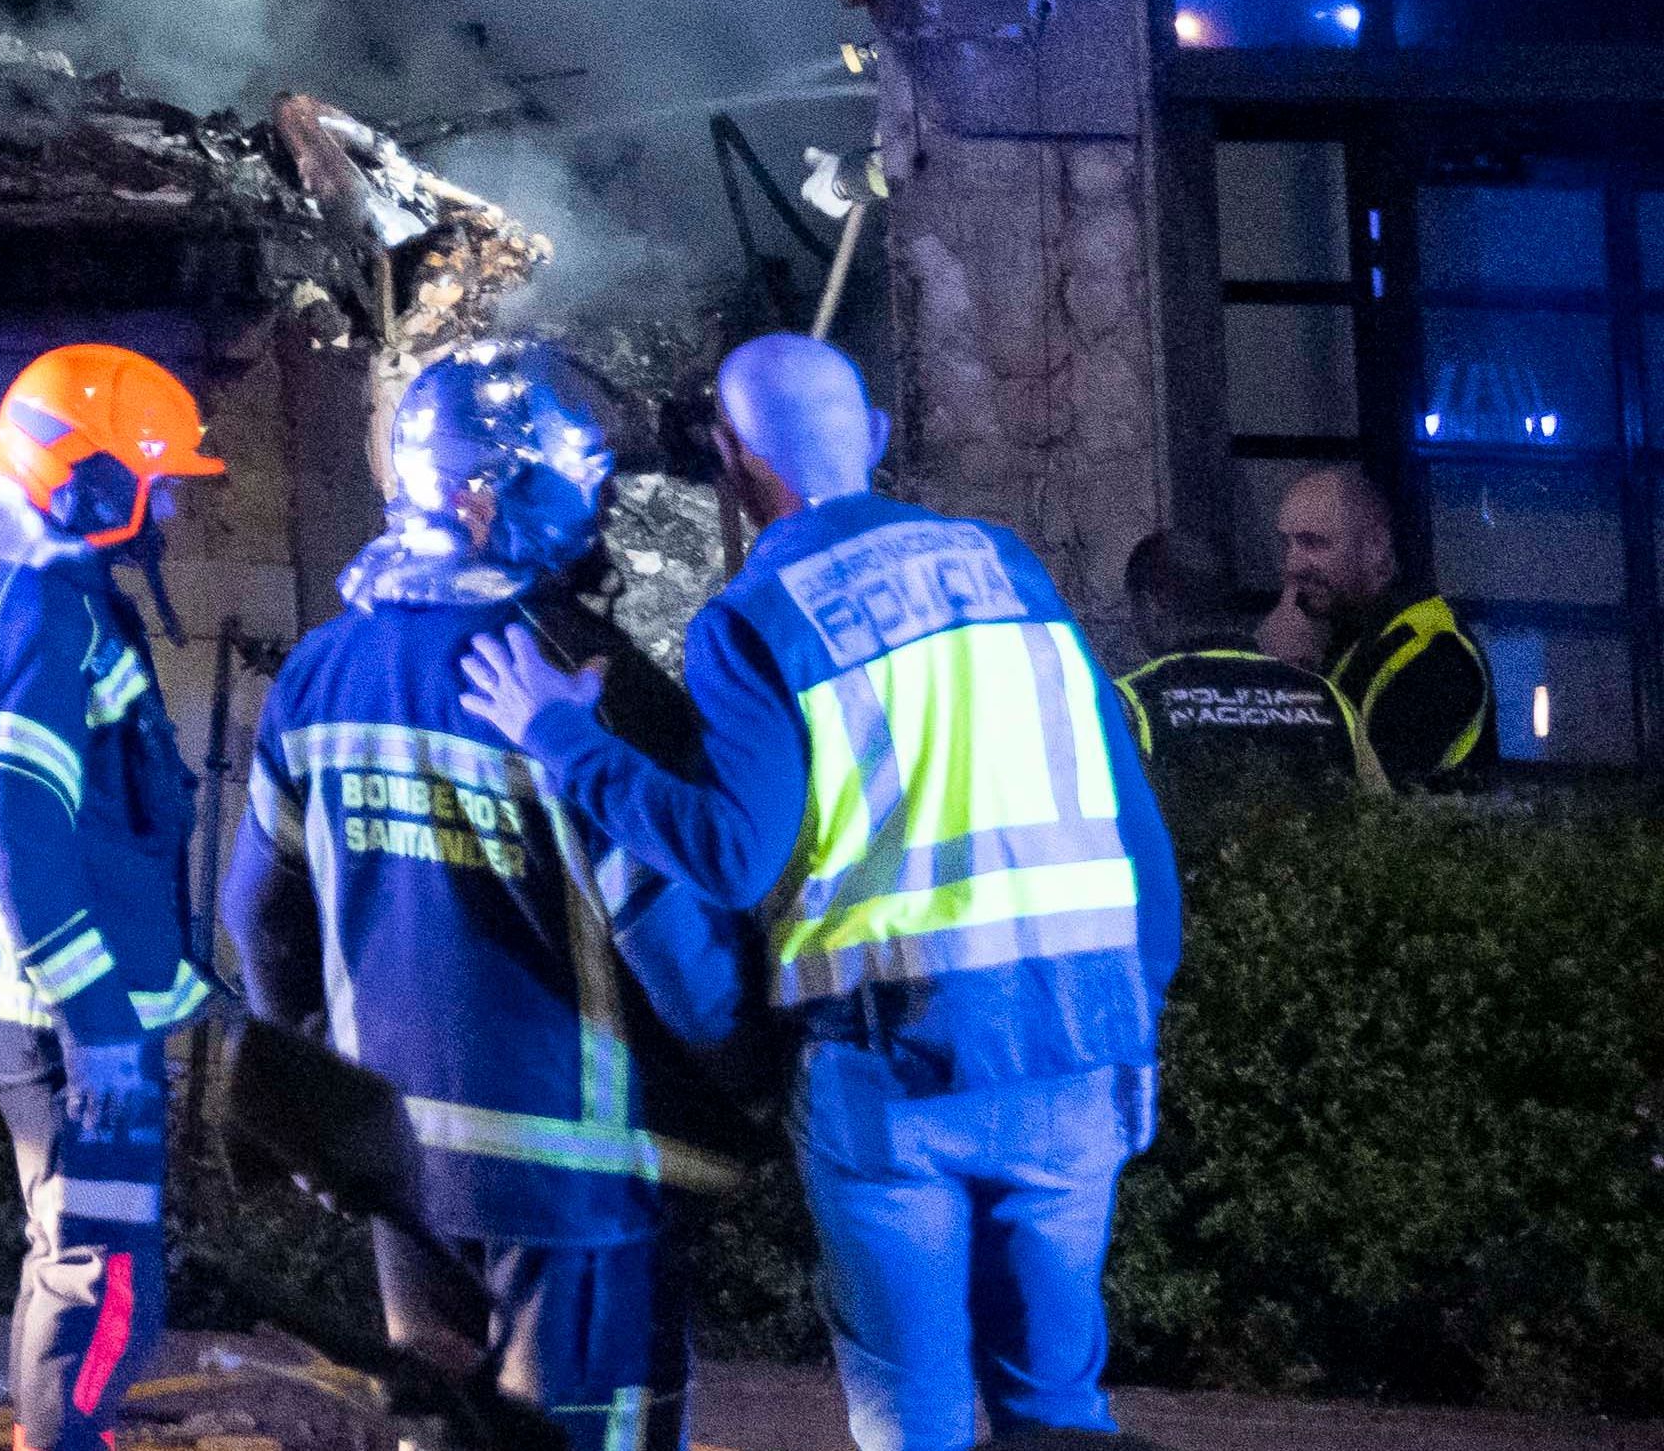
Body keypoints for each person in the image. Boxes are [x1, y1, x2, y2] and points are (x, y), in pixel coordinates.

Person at [461, 336, 1178, 1451]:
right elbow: (1134, 824)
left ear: (737, 470)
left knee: (918, 1423)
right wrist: (1141, 1021)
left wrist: (559, 735)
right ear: (881, 439)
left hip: (891, 1073)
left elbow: (732, 854)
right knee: (1059, 1412)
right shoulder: (1009, 567)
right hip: (1078, 1045)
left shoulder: (752, 616)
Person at [225, 346, 752, 1451]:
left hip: (404, 1164)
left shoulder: (321, 670)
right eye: (584, 485)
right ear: (511, 492)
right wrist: (748, 1083)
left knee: (443, 1434)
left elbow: (258, 915)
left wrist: (323, 1095)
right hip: (578, 1177)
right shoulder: (585, 683)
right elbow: (680, 948)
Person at [0, 341, 225, 1451]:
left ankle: (63, 1438)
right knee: (101, 1275)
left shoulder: (59, 605)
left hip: (84, 1013)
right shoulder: (47, 619)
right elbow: (16, 831)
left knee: (85, 1259)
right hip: (78, 1027)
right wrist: (103, 1030)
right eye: (159, 486)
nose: (173, 510)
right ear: (101, 489)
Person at [1253, 458, 1495, 791]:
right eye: (1287, 544)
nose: (1292, 565)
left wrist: (1288, 677)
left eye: (1314, 543)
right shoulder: (1358, 632)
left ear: (1376, 548)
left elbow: (1359, 794)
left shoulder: (1431, 650)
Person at [1111, 532, 1346, 804]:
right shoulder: (1326, 697)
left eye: (1131, 605)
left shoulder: (1127, 703)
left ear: (1155, 601)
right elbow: (1382, 815)